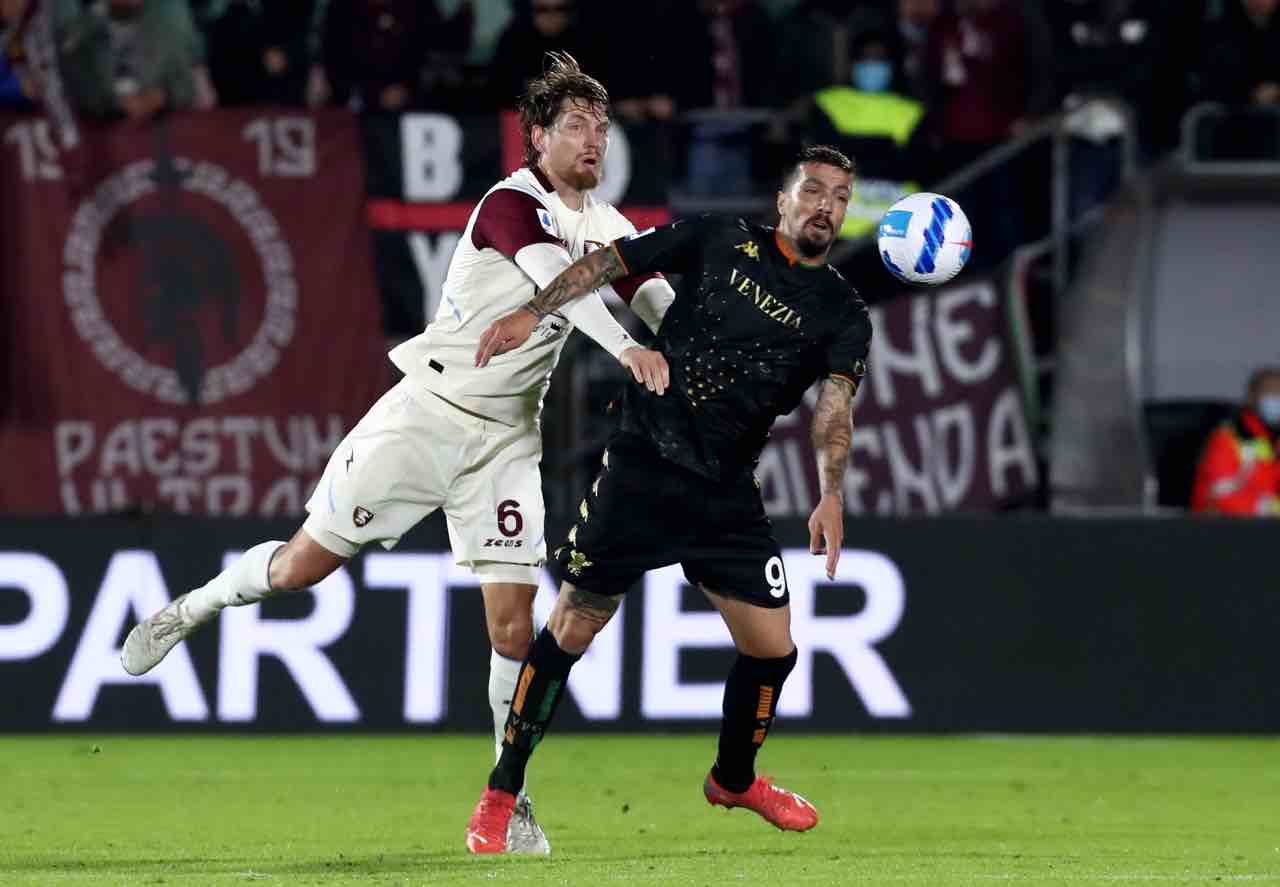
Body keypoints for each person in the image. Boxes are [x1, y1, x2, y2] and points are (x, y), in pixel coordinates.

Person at [120, 52, 675, 855]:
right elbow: (556, 279)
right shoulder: (509, 205)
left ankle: (509, 796)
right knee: (299, 568)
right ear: (537, 136)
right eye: (576, 124)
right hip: (426, 415)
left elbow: (655, 298)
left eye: (602, 125)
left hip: (507, 440)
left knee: (514, 628)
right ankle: (192, 608)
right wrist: (627, 350)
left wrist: (702, 347)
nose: (594, 138)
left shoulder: (607, 224)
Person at [464, 144, 872, 853]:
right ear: (783, 200)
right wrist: (533, 310)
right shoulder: (720, 237)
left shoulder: (842, 311)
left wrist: (830, 493)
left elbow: (834, 409)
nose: (826, 206)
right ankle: (501, 790)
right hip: (644, 467)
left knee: (772, 649)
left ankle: (733, 779)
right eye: (813, 190)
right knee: (572, 626)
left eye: (839, 197)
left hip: (725, 491)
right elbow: (608, 263)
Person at [1190, 367, 1280, 515]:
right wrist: (1270, 508)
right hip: (1223, 524)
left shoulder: (1273, 439)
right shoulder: (1227, 438)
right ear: (1252, 397)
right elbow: (1218, 495)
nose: (1277, 398)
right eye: (1271, 392)